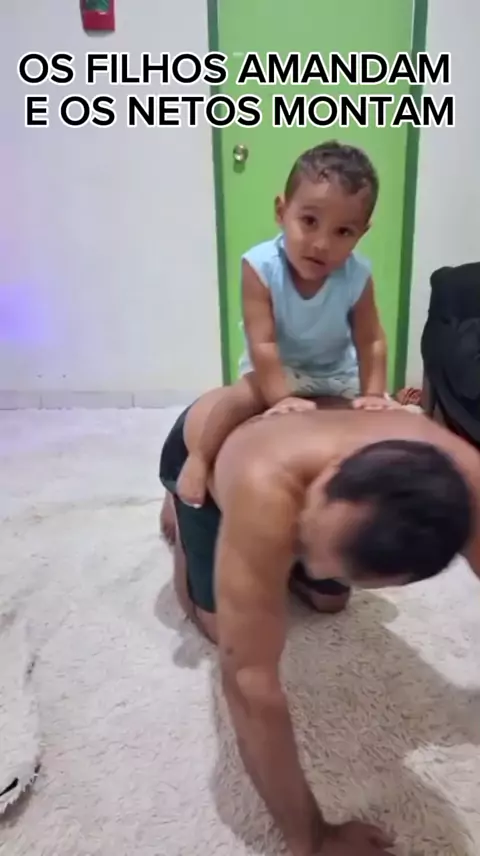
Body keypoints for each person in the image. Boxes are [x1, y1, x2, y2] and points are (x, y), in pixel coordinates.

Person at [158, 389, 480, 856]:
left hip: (300, 469)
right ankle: (178, 501)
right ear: (331, 475)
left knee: (330, 603)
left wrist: (313, 556)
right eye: (302, 545)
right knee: (221, 630)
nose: (300, 560)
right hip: (206, 453)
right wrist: (311, 838)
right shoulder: (265, 492)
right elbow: (250, 684)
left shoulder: (466, 475)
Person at [177, 140, 393, 508]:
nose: (321, 244)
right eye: (309, 222)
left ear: (362, 233)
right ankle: (199, 459)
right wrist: (281, 398)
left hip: (335, 372)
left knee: (376, 426)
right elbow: (262, 342)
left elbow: (370, 339)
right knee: (238, 399)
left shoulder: (357, 275)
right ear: (282, 211)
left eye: (343, 232)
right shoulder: (261, 267)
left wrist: (373, 395)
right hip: (278, 368)